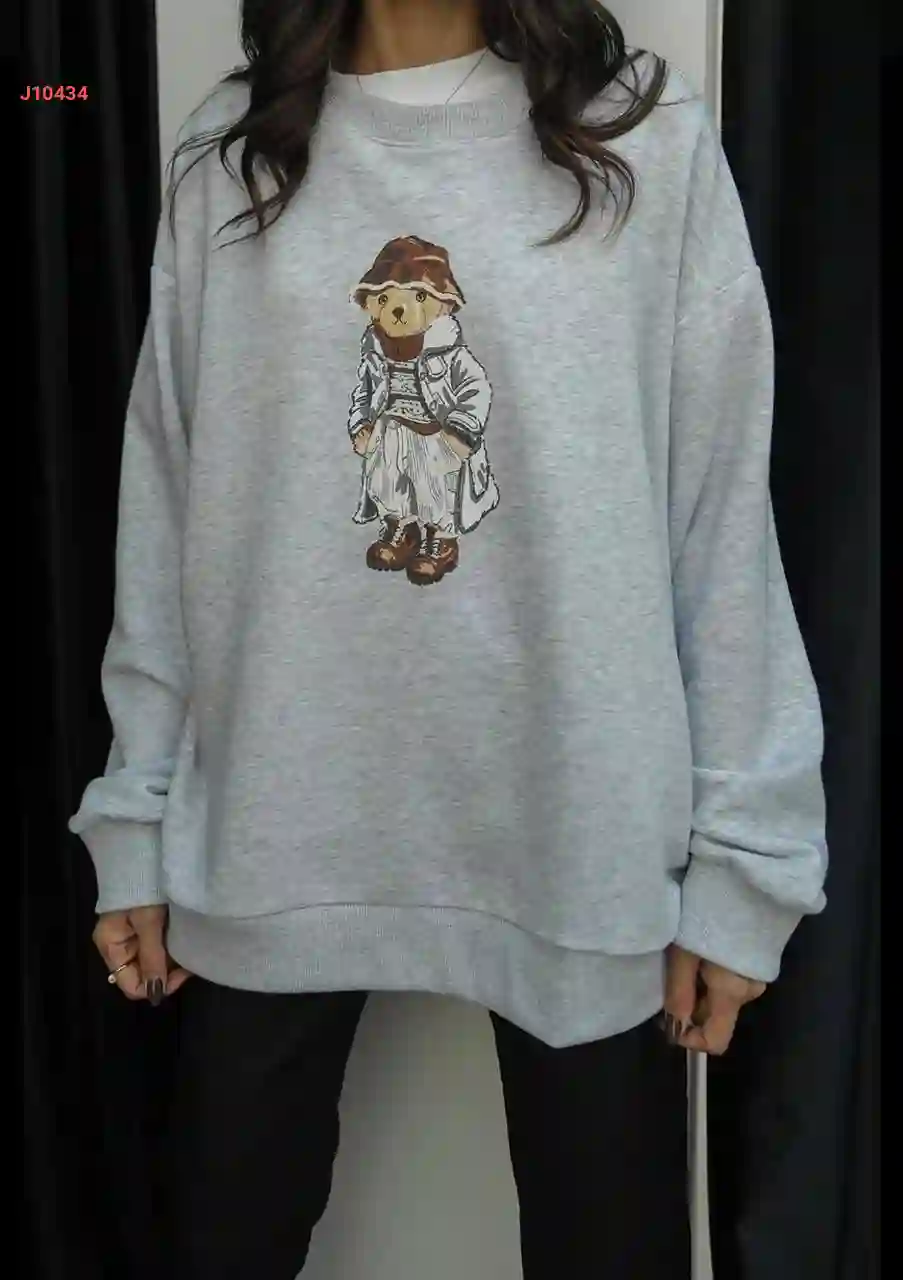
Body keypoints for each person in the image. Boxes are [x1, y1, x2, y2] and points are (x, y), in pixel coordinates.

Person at [70, 2, 828, 1276]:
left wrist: (747, 851)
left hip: (581, 831)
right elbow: (169, 508)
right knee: (219, 1227)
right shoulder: (234, 153)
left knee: (609, 1239)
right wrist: (135, 812)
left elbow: (720, 517)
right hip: (273, 820)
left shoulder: (638, 139)